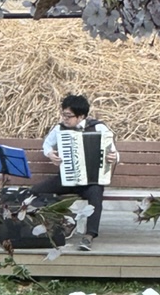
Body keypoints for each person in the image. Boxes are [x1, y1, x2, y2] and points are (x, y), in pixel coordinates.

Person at [34, 93, 119, 251]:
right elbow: (47, 144)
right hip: (66, 178)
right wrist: (50, 154)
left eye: (68, 116)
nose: (64, 119)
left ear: (80, 116)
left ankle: (89, 236)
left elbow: (114, 153)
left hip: (91, 181)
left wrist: (113, 156)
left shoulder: (98, 127)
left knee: (96, 196)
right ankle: (64, 222)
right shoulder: (60, 128)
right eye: (63, 114)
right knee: (35, 192)